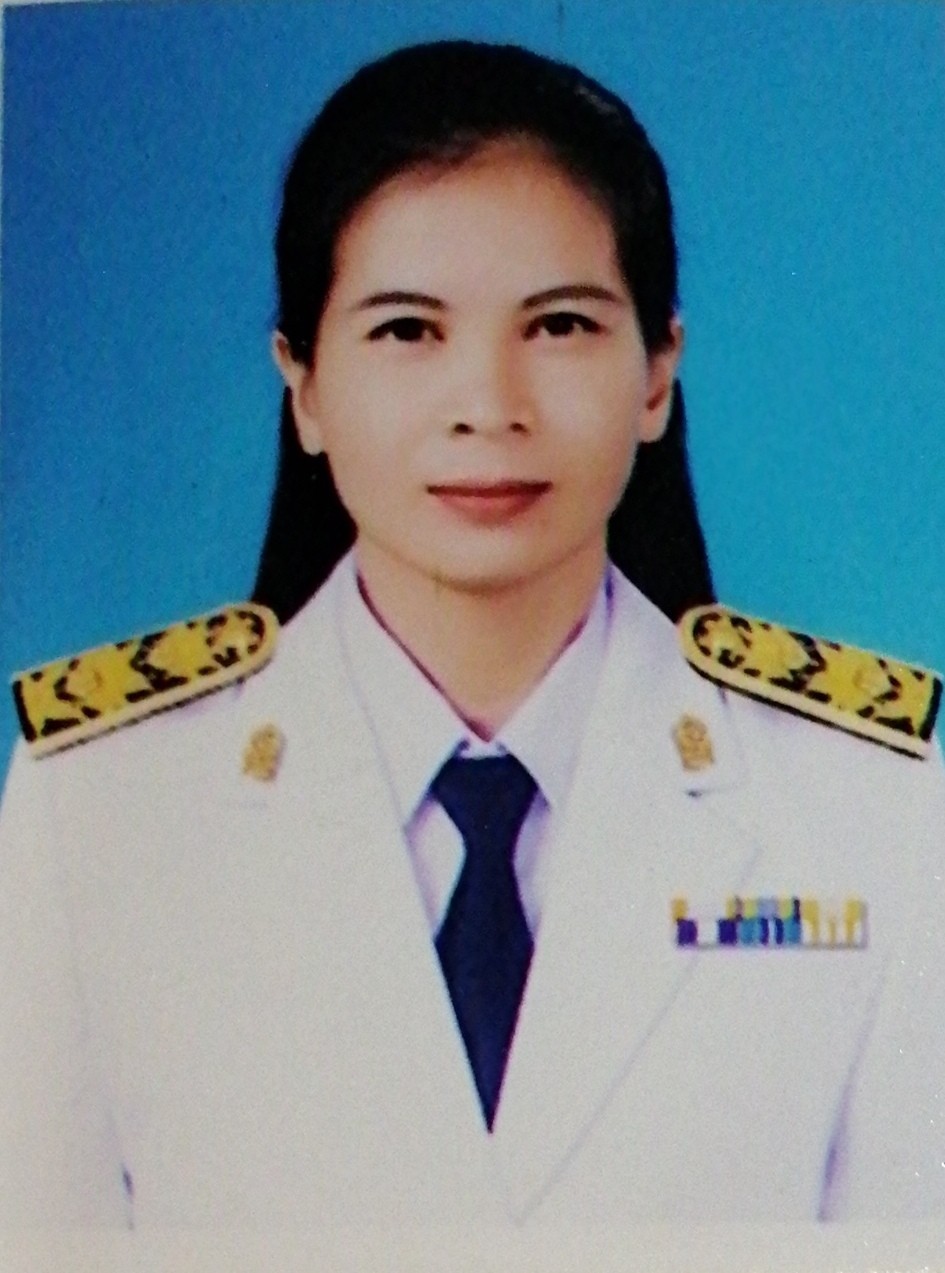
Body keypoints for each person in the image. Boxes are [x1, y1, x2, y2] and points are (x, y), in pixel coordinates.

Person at [1, 39, 943, 1230]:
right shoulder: (100, 810)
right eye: (408, 331)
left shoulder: (866, 804)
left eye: (560, 326)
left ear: (658, 372)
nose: (489, 407)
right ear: (303, 382)